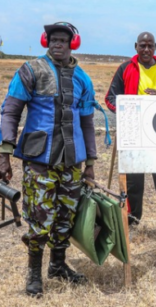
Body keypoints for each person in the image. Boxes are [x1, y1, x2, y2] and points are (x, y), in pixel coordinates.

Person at [0, 22, 96, 296]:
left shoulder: (83, 79)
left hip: (71, 164)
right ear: (46, 41)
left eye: (63, 40)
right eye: (53, 39)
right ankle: (33, 275)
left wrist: (90, 163)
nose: (57, 44)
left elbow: (88, 123)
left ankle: (57, 265)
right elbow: (10, 111)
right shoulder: (30, 71)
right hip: (39, 161)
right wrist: (5, 153)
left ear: (72, 44)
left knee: (66, 217)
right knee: (40, 220)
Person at [105, 32, 156, 234]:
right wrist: (127, 110)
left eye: (150, 46)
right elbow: (110, 98)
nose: (146, 49)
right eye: (142, 45)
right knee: (134, 179)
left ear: (155, 47)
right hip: (134, 132)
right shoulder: (125, 68)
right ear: (135, 47)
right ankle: (132, 220)